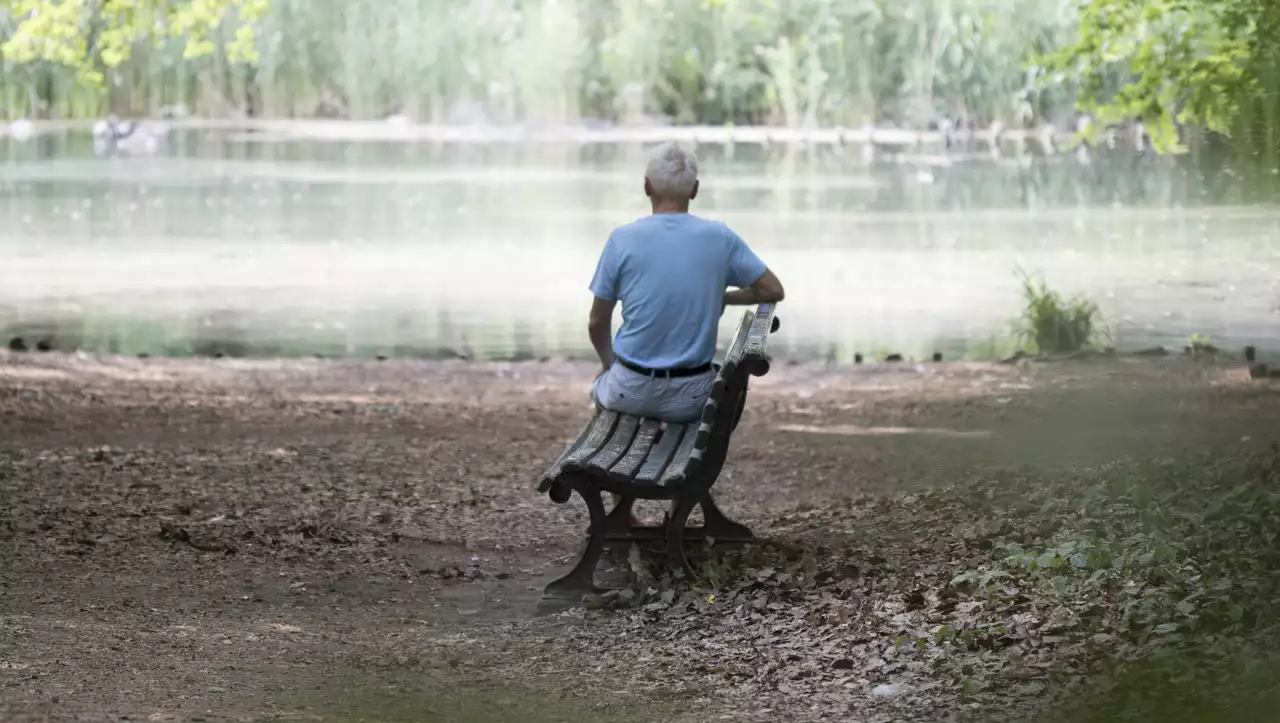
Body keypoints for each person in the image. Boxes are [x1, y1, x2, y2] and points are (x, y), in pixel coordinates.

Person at [587, 142, 785, 423]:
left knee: (600, 386)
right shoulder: (720, 237)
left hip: (628, 392)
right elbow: (772, 290)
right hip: (690, 399)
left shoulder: (621, 239)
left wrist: (608, 364)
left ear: (646, 186)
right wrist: (724, 296)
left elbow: (597, 322)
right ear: (694, 189)